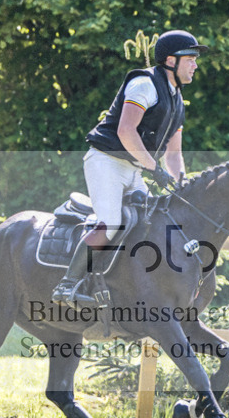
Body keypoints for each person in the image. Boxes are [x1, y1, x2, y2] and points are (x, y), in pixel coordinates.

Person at [52, 29, 208, 304]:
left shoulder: (178, 101)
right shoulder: (144, 84)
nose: (196, 64)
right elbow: (126, 131)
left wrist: (181, 183)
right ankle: (67, 285)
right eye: (191, 58)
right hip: (106, 162)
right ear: (171, 60)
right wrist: (154, 169)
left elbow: (173, 154)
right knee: (111, 222)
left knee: (153, 223)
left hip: (134, 169)